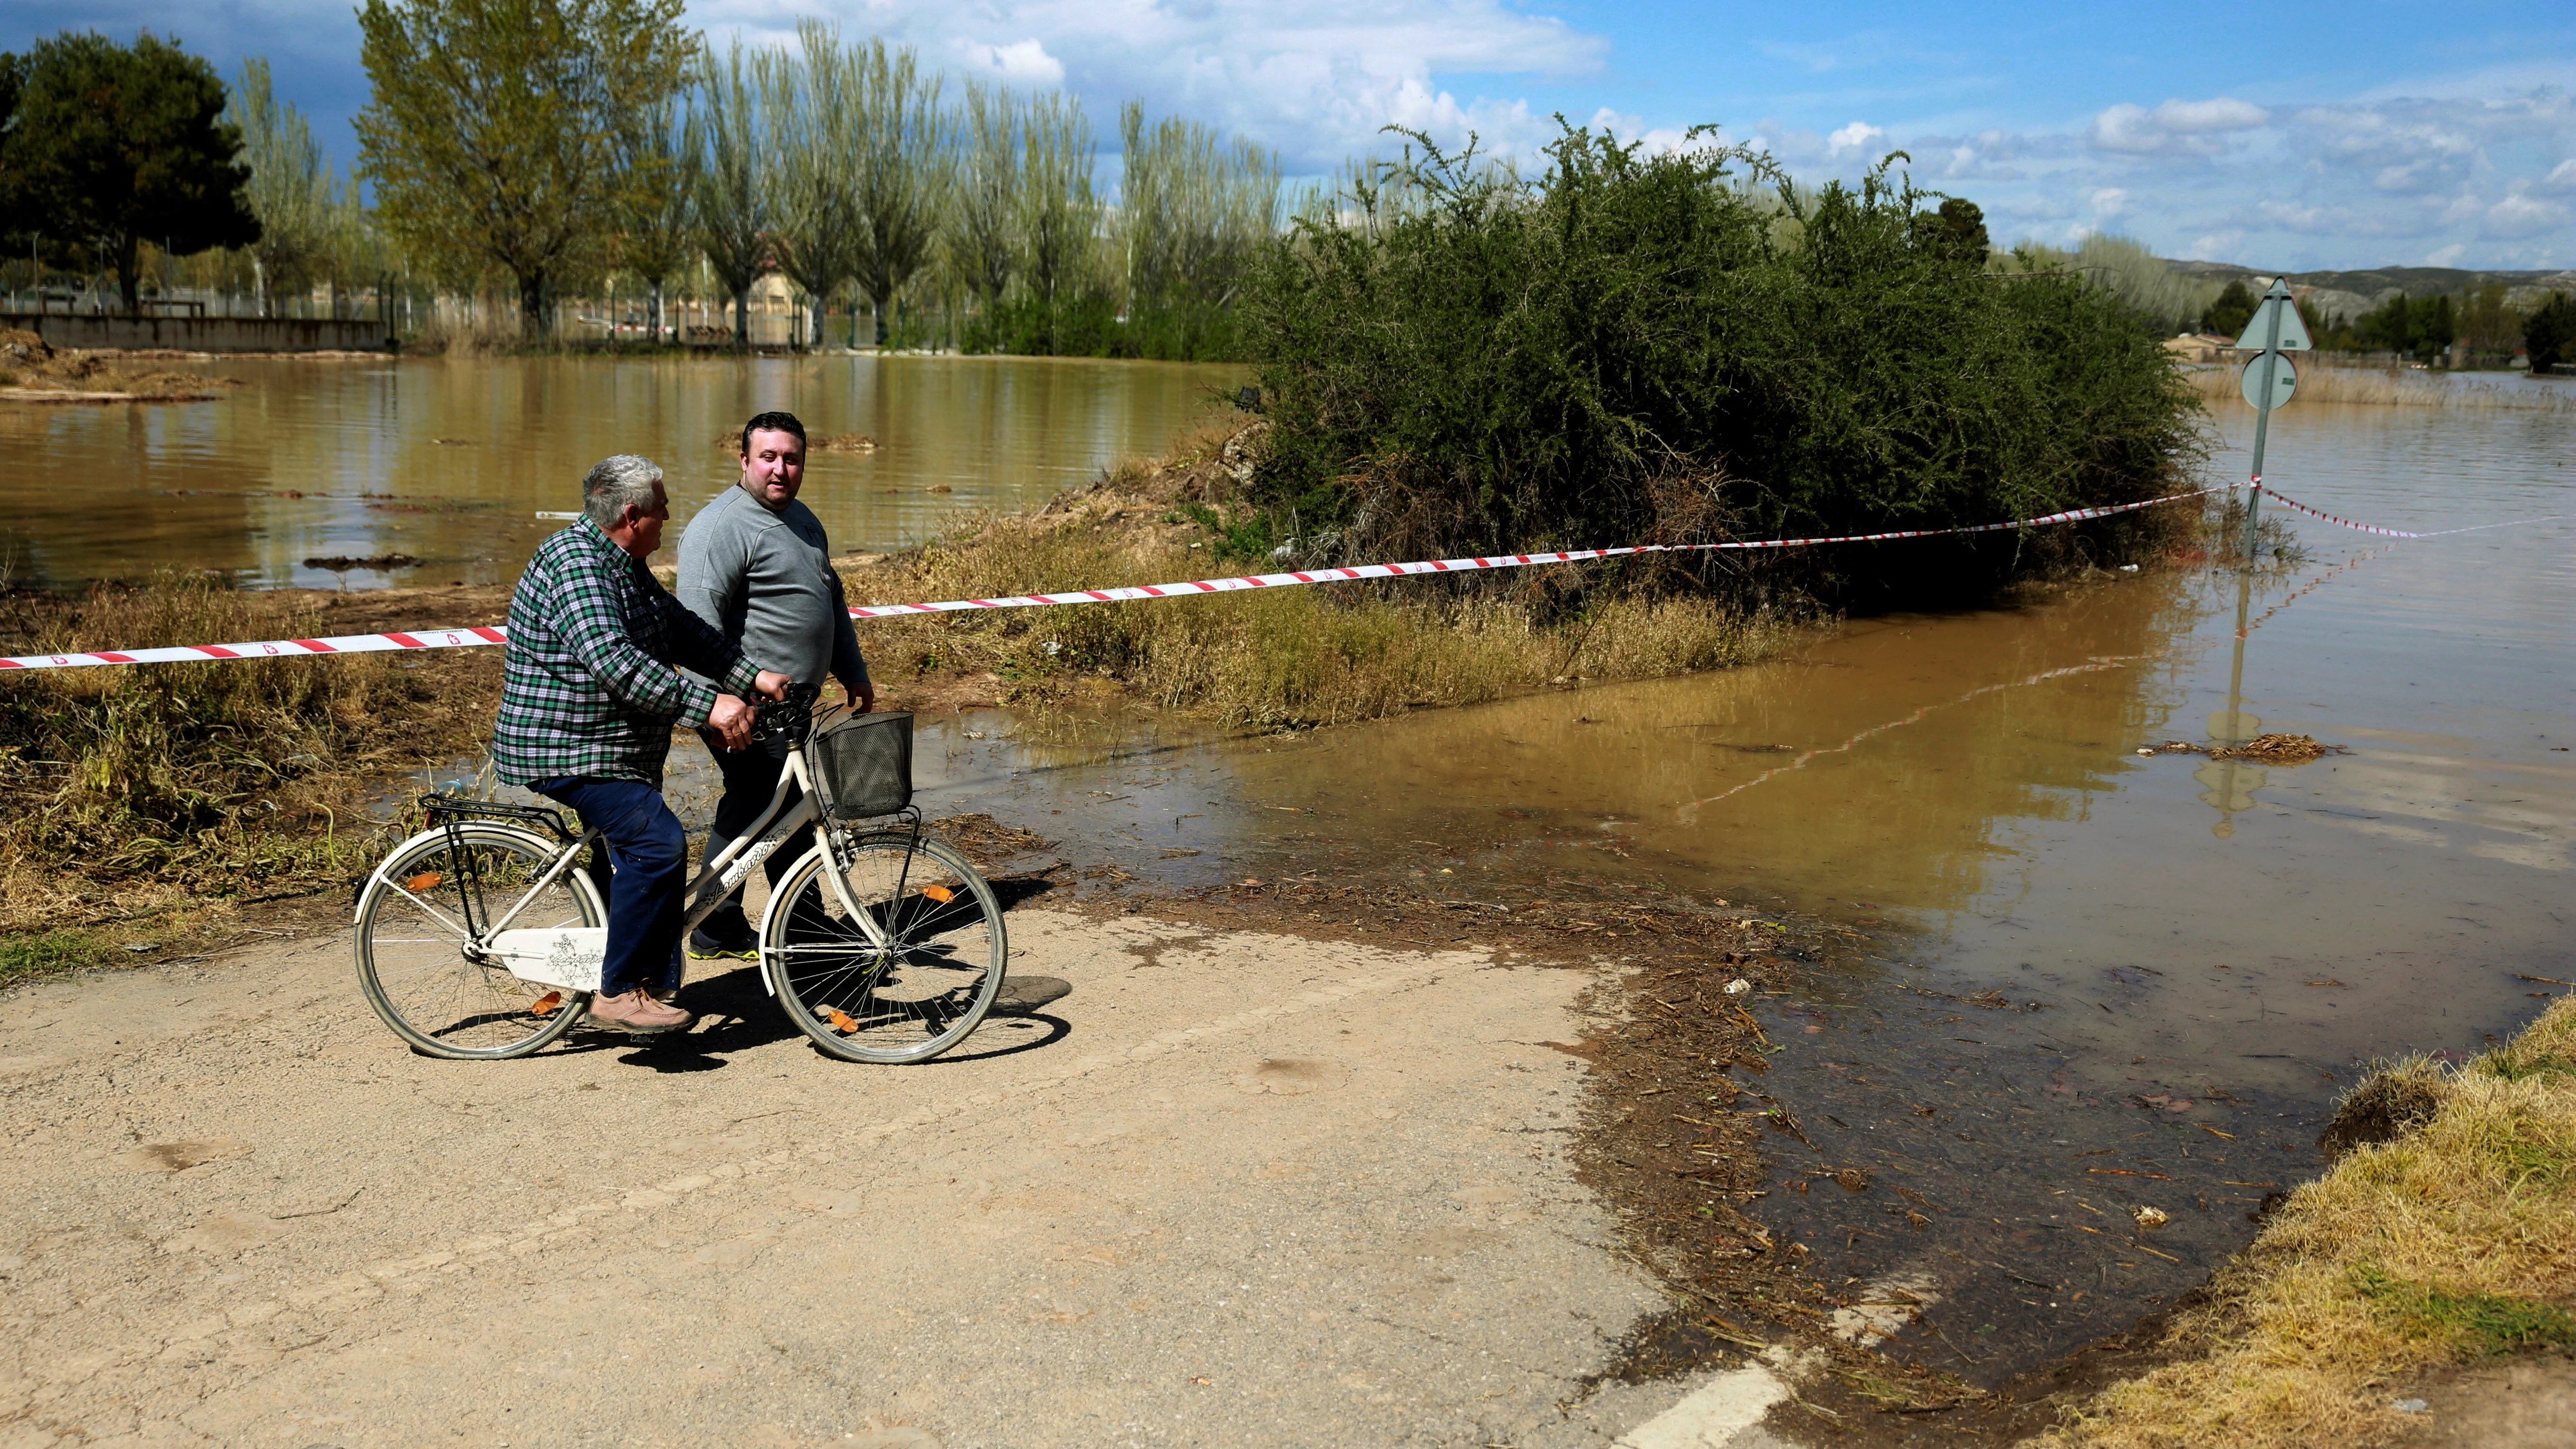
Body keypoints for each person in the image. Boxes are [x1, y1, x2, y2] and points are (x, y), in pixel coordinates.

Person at [492, 454, 789, 1034]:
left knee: (625, 862)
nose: (669, 515)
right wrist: (711, 705)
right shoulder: (575, 565)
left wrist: (752, 677)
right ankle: (619, 991)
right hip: (566, 746)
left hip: (610, 746)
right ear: (632, 515)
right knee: (658, 843)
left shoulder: (623, 562)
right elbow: (618, 664)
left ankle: (638, 974)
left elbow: (682, 630)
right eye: (662, 507)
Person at [676, 410, 875, 961]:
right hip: (742, 709)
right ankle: (740, 925)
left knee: (778, 810)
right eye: (768, 457)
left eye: (791, 458)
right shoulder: (720, 528)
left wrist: (852, 670)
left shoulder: (805, 521)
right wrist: (714, 707)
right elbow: (694, 627)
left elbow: (830, 602)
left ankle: (751, 925)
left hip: (791, 709)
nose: (780, 469)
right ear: (744, 460)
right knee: (763, 804)